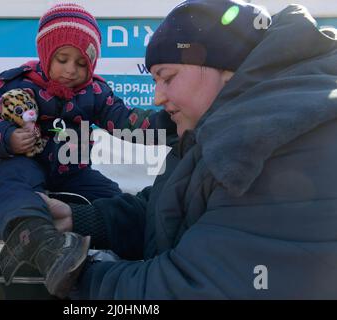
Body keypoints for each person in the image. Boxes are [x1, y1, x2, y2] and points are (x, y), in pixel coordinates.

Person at [39, 0, 337, 299]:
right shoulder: (220, 133)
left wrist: (81, 276)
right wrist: (80, 218)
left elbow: (190, 287)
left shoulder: (282, 141)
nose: (157, 97)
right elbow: (169, 208)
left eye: (167, 78)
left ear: (227, 69)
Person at [0, 3, 174, 298]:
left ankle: (141, 252)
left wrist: (171, 126)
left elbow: (125, 122)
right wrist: (7, 137)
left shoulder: (95, 92)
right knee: (12, 184)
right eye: (62, 59)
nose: (71, 70)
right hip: (25, 163)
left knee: (114, 197)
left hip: (75, 169)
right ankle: (35, 239)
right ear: (45, 54)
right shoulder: (17, 84)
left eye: (81, 63)